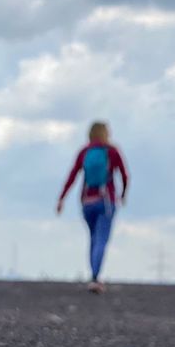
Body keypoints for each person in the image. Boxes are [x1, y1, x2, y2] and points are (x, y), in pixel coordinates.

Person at [56, 121, 129, 292]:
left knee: (93, 237)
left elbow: (72, 176)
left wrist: (62, 199)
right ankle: (95, 277)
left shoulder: (84, 152)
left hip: (87, 201)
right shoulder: (112, 151)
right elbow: (125, 175)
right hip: (106, 201)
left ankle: (93, 275)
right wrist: (123, 194)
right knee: (101, 238)